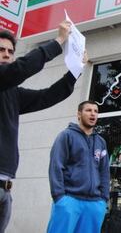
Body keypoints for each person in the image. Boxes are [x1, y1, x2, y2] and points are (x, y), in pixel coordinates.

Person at [0, 20, 78, 233]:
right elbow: (21, 68)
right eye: (1, 50)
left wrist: (74, 71)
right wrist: (59, 40)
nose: (7, 54)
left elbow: (46, 97)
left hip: (5, 189)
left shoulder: (12, 93)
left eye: (10, 51)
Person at [47, 101, 110, 233]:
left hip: (94, 204)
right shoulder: (66, 136)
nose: (93, 114)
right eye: (88, 110)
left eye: (96, 111)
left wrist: (103, 200)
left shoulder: (100, 142)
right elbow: (56, 166)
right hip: (69, 200)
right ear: (79, 115)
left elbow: (104, 172)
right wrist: (59, 197)